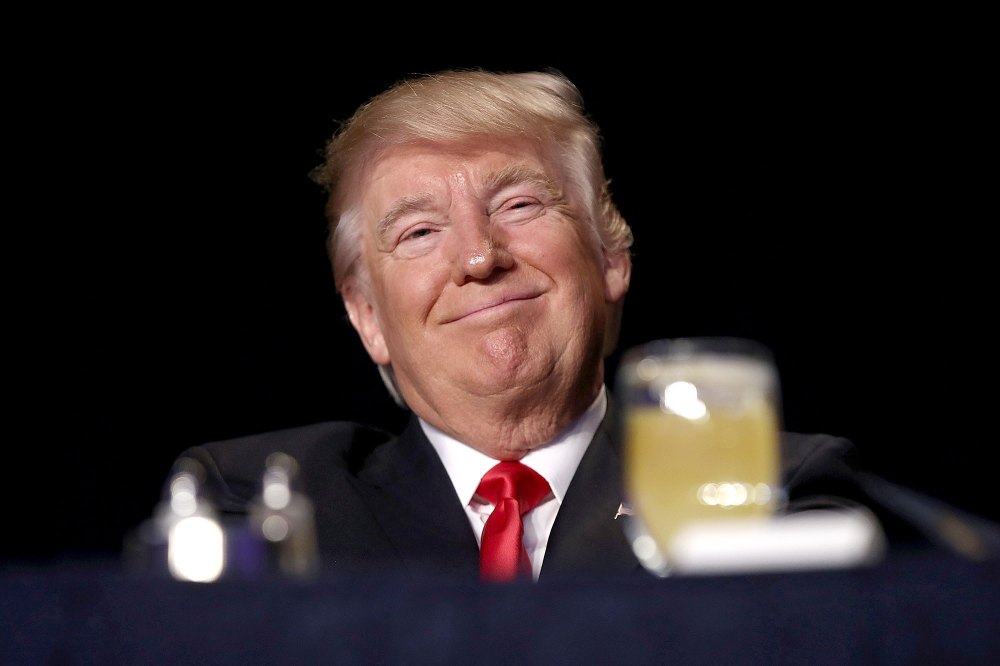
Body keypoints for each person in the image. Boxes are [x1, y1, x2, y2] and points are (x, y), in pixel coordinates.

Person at [164, 68, 987, 582]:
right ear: (367, 316)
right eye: (419, 232)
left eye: (520, 204)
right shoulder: (266, 501)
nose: (478, 256)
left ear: (611, 255)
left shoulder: (765, 488)